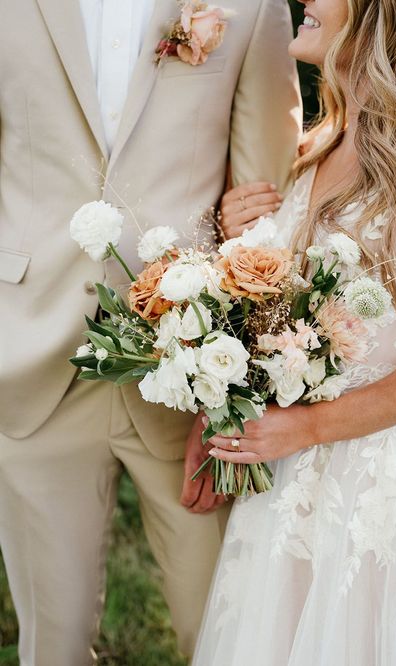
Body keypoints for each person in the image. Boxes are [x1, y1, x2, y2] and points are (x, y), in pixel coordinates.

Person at [0, 0, 302, 663]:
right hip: (30, 353)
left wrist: (241, 366)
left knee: (225, 632)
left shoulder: (249, 7)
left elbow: (267, 195)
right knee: (50, 640)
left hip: (192, 371)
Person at [192, 0, 396, 664]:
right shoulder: (322, 140)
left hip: (373, 496)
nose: (308, 1)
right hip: (287, 482)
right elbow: (295, 320)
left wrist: (313, 426)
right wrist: (244, 241)